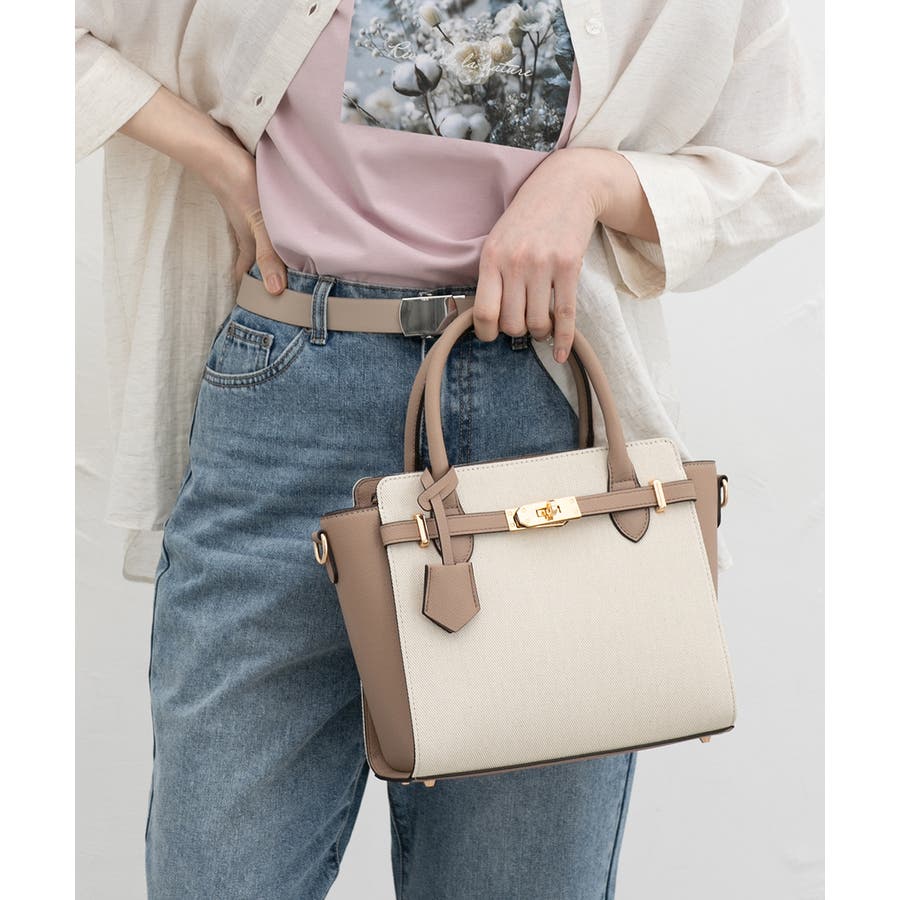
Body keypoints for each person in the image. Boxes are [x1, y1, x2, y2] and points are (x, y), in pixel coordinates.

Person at [75, 0, 824, 897]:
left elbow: (786, 162)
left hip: (542, 414)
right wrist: (220, 161)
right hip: (287, 402)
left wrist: (591, 182)